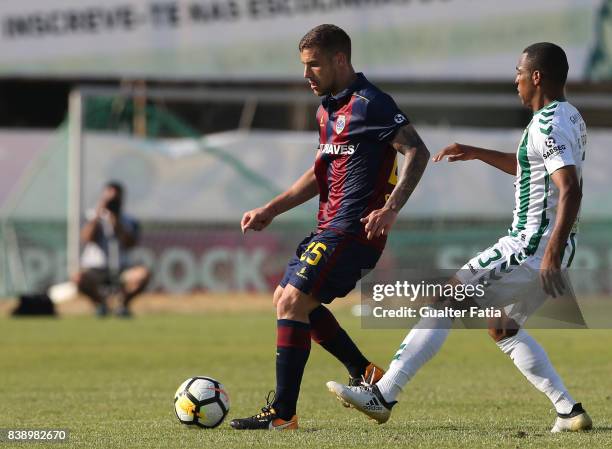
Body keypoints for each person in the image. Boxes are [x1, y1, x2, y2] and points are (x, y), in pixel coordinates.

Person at [327, 42, 592, 433]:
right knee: (501, 327)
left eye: (519, 72)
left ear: (537, 76)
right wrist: (476, 151)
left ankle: (383, 394)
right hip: (552, 251)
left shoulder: (547, 123)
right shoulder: (569, 117)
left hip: (530, 248)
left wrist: (549, 252)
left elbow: (569, 187)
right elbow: (531, 167)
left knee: (446, 299)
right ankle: (569, 412)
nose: (515, 79)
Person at [230, 24, 430, 430]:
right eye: (304, 66)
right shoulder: (326, 110)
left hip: (355, 231)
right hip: (328, 227)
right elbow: (320, 172)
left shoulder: (371, 103)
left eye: (314, 65)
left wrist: (391, 209)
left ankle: (282, 415)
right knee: (285, 298)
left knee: (292, 304)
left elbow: (417, 150)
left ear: (340, 60)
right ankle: (365, 371)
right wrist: (272, 208)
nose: (307, 75)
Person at [73, 181, 150, 317]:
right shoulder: (91, 216)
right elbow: (86, 238)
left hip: (121, 268)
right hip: (96, 268)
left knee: (143, 274)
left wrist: (116, 221)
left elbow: (130, 244)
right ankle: (101, 304)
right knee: (78, 278)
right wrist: (100, 212)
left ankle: (122, 305)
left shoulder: (128, 220)